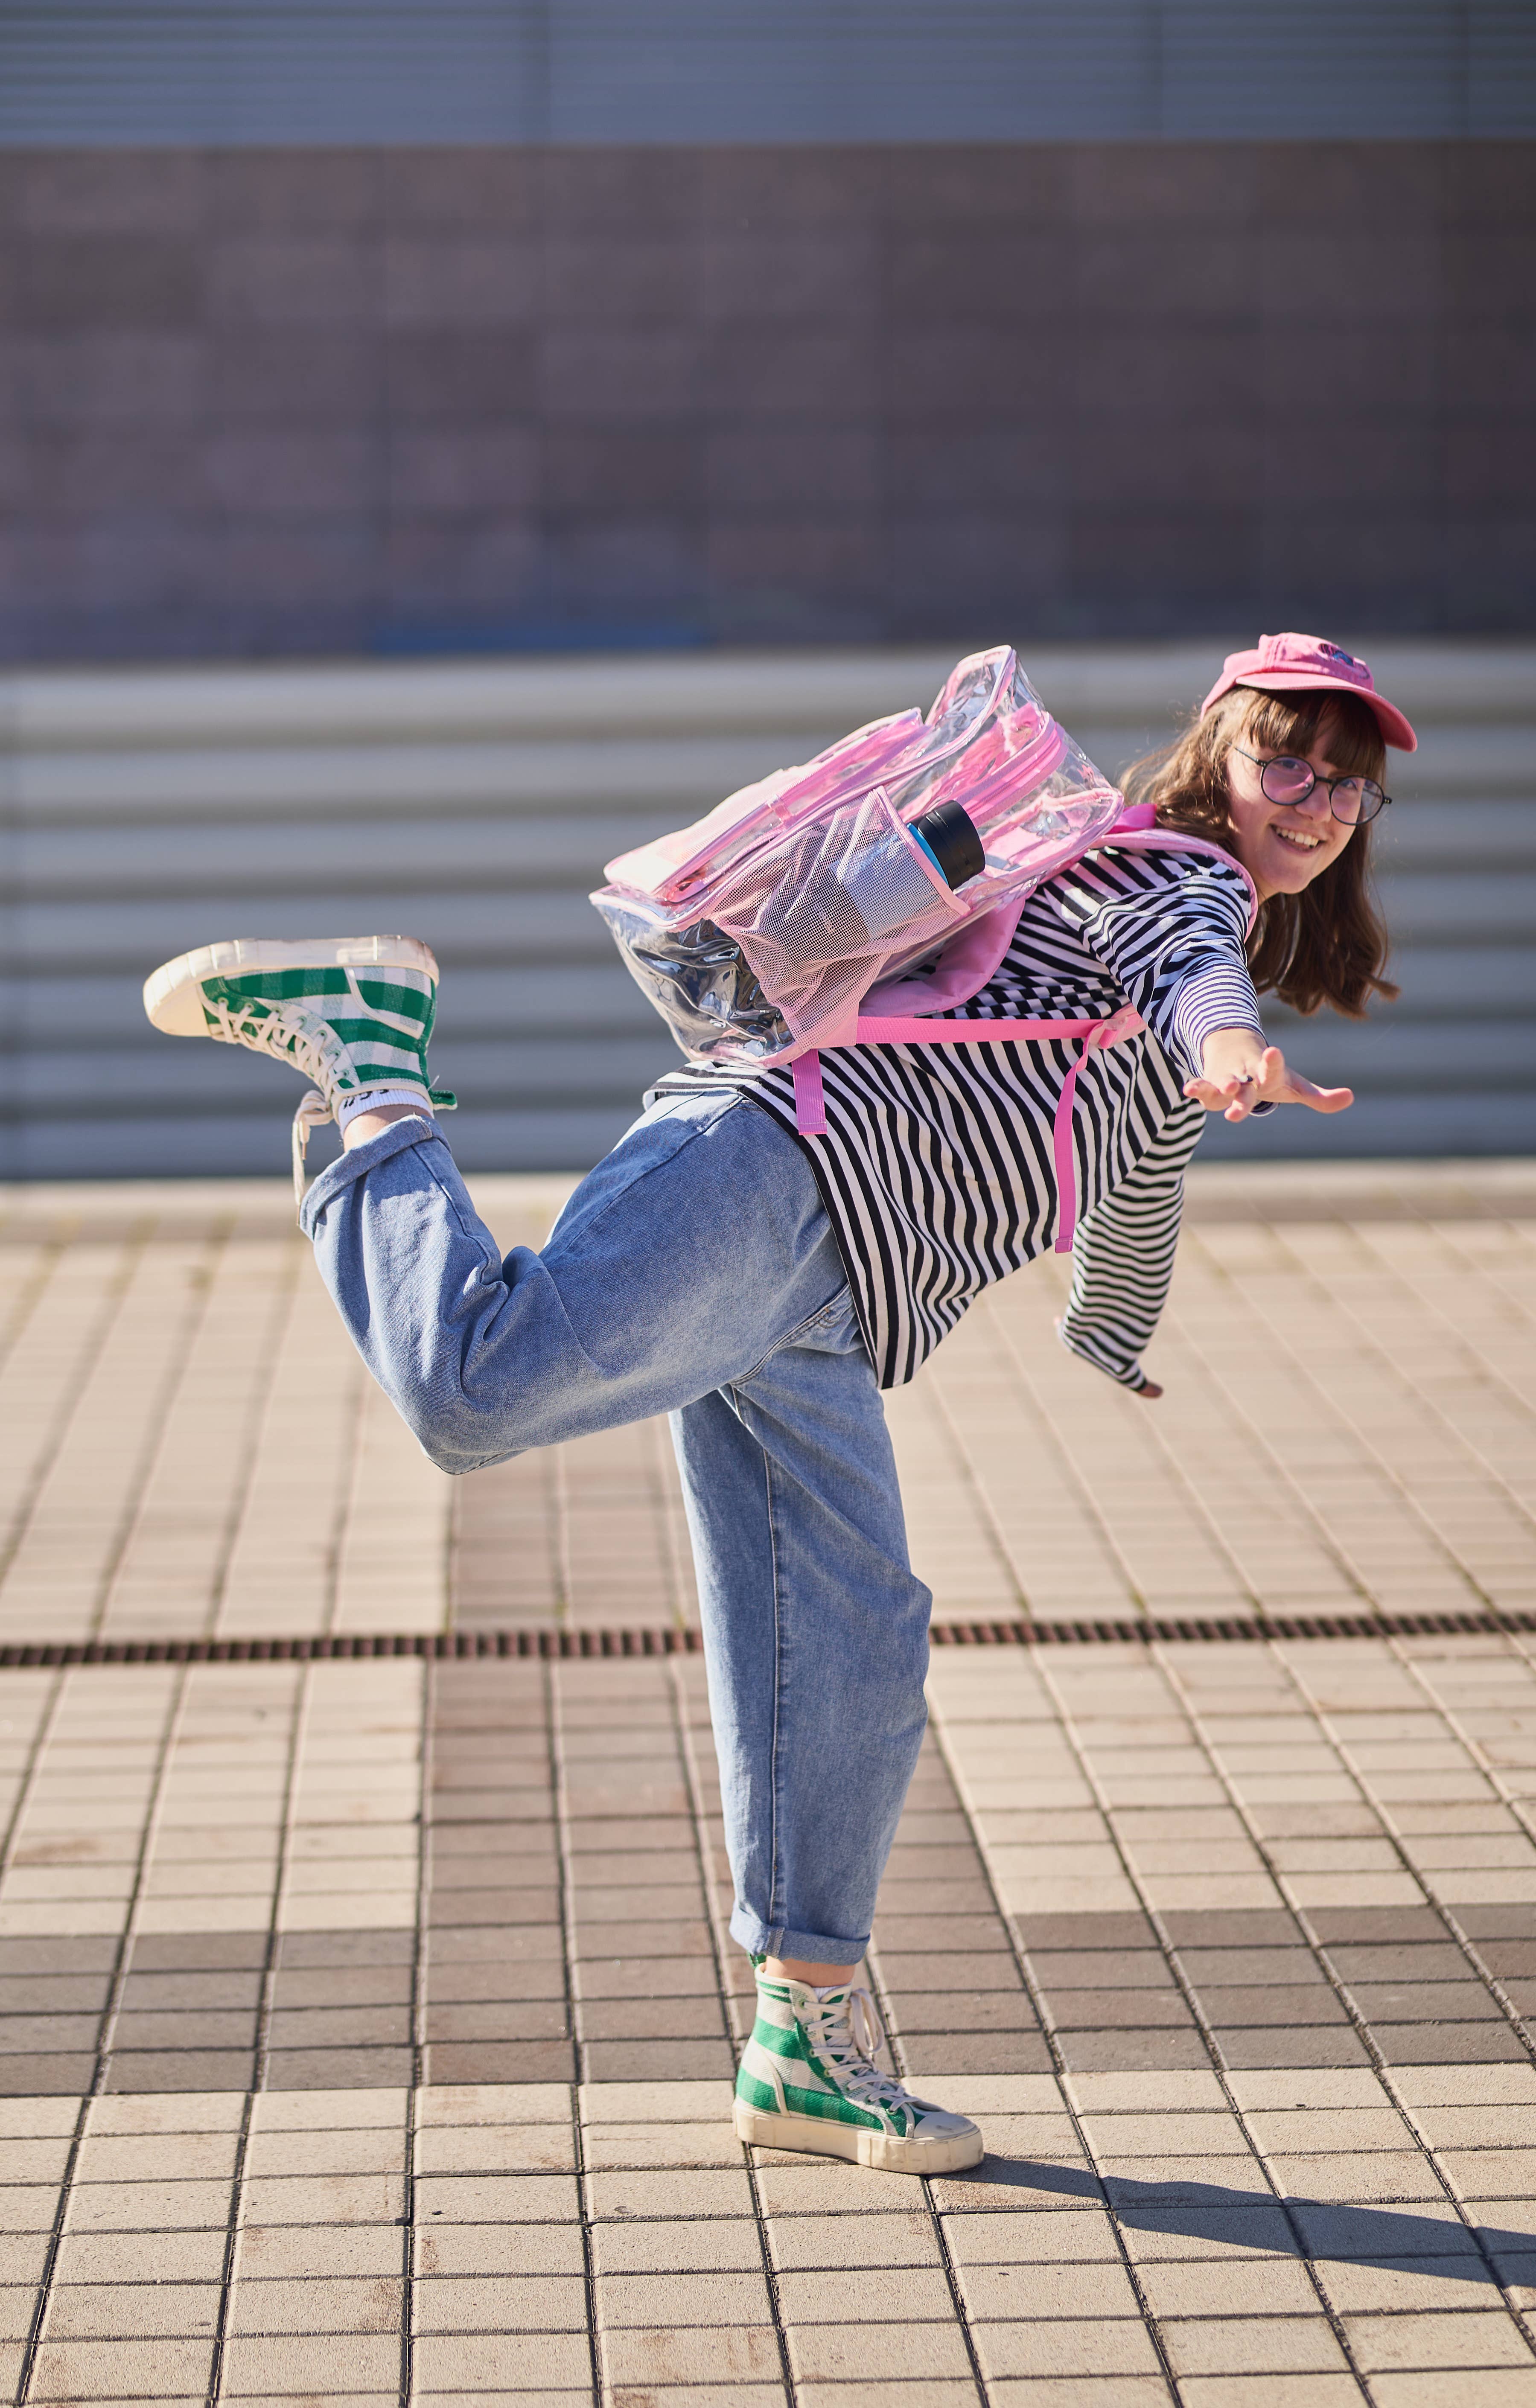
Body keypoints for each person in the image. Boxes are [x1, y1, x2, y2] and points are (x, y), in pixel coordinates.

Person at [143, 631, 1415, 2174]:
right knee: (477, 1389)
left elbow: (1133, 1170)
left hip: (839, 1294)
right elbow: (1196, 982)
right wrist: (1232, 1046)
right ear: (1219, 747)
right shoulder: (1172, 877)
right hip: (784, 1166)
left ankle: (803, 2044)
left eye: (1348, 784)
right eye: (1288, 757)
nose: (1317, 798)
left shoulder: (1172, 904)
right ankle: (369, 1068)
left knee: (851, 1632)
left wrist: (1115, 1328)